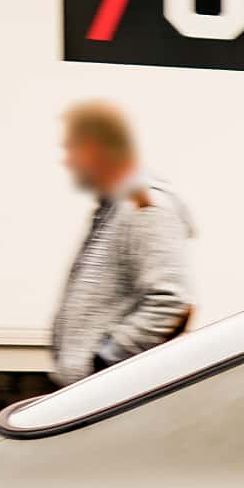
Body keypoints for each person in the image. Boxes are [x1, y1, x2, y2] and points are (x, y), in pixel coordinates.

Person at [46, 102, 195, 387]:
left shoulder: (146, 208)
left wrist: (104, 363)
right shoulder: (115, 208)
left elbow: (171, 302)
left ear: (96, 149)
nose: (67, 161)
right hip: (89, 394)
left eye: (71, 149)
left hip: (107, 395)